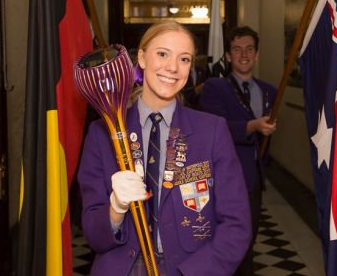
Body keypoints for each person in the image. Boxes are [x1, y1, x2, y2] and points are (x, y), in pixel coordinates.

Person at [78, 20, 251, 276]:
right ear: (142, 58)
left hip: (190, 269)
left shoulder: (212, 131)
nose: (173, 67)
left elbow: (237, 226)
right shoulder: (103, 134)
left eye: (184, 59)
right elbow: (94, 235)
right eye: (162, 54)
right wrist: (115, 208)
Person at [198, 25, 277, 276]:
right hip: (224, 179)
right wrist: (252, 126)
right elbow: (213, 129)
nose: (244, 54)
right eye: (237, 49)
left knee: (248, 238)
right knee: (225, 242)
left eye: (249, 49)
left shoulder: (269, 91)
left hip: (253, 180)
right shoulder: (214, 87)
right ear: (228, 56)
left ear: (256, 54)